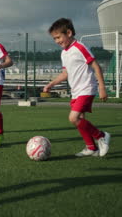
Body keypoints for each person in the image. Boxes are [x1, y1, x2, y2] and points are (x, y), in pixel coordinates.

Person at [43, 18, 110, 157]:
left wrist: (102, 87)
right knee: (80, 120)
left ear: (68, 32)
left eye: (58, 37)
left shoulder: (80, 47)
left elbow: (96, 66)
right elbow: (65, 73)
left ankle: (101, 136)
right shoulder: (64, 53)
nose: (57, 41)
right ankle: (91, 148)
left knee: (73, 118)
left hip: (87, 88)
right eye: (54, 39)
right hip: (76, 92)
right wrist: (51, 84)